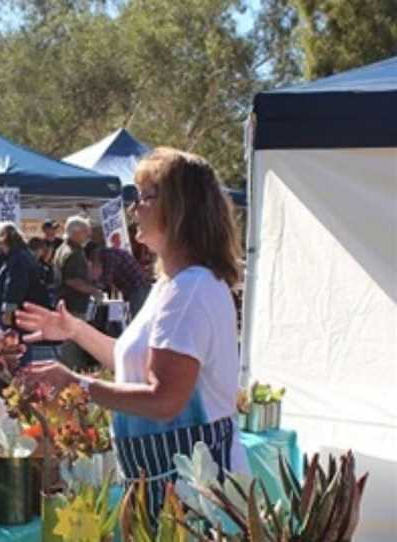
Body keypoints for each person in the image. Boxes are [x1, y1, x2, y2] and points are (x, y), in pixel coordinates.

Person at [19, 147, 247, 521]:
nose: (133, 209)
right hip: (165, 486)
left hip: (197, 501)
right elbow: (134, 363)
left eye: (145, 198)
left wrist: (76, 382)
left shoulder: (189, 290)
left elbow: (165, 400)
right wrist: (74, 329)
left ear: (178, 209)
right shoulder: (173, 284)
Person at [0, 223, 50, 363]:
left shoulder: (17, 259)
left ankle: (18, 383)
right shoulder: (24, 255)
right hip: (24, 314)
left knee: (14, 356)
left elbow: (14, 287)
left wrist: (8, 312)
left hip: (16, 316)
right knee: (21, 351)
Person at [53, 216, 103, 369]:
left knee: (69, 342)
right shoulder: (73, 252)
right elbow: (72, 280)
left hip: (66, 302)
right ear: (75, 232)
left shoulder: (62, 248)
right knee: (73, 345)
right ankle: (72, 376)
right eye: (85, 232)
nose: (88, 235)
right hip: (73, 304)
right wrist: (94, 291)